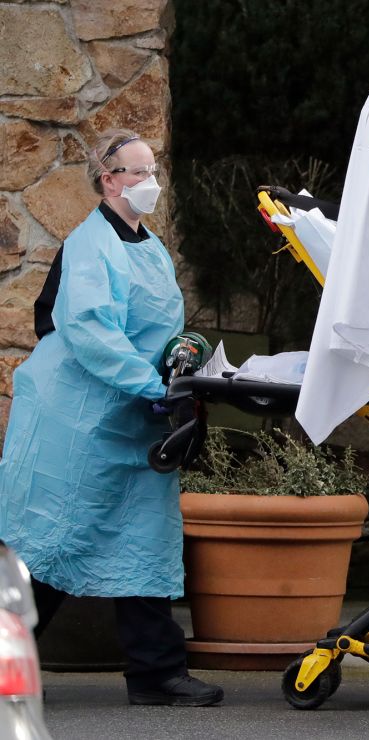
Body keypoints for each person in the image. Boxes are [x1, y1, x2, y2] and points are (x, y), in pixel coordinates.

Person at [0, 128, 224, 707]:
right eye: (140, 172)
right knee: (51, 545)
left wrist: (186, 358)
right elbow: (90, 330)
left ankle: (156, 673)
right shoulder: (89, 245)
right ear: (109, 178)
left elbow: (158, 327)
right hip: (75, 421)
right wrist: (155, 387)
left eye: (154, 170)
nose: (152, 182)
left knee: (145, 542)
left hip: (133, 419)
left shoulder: (149, 247)